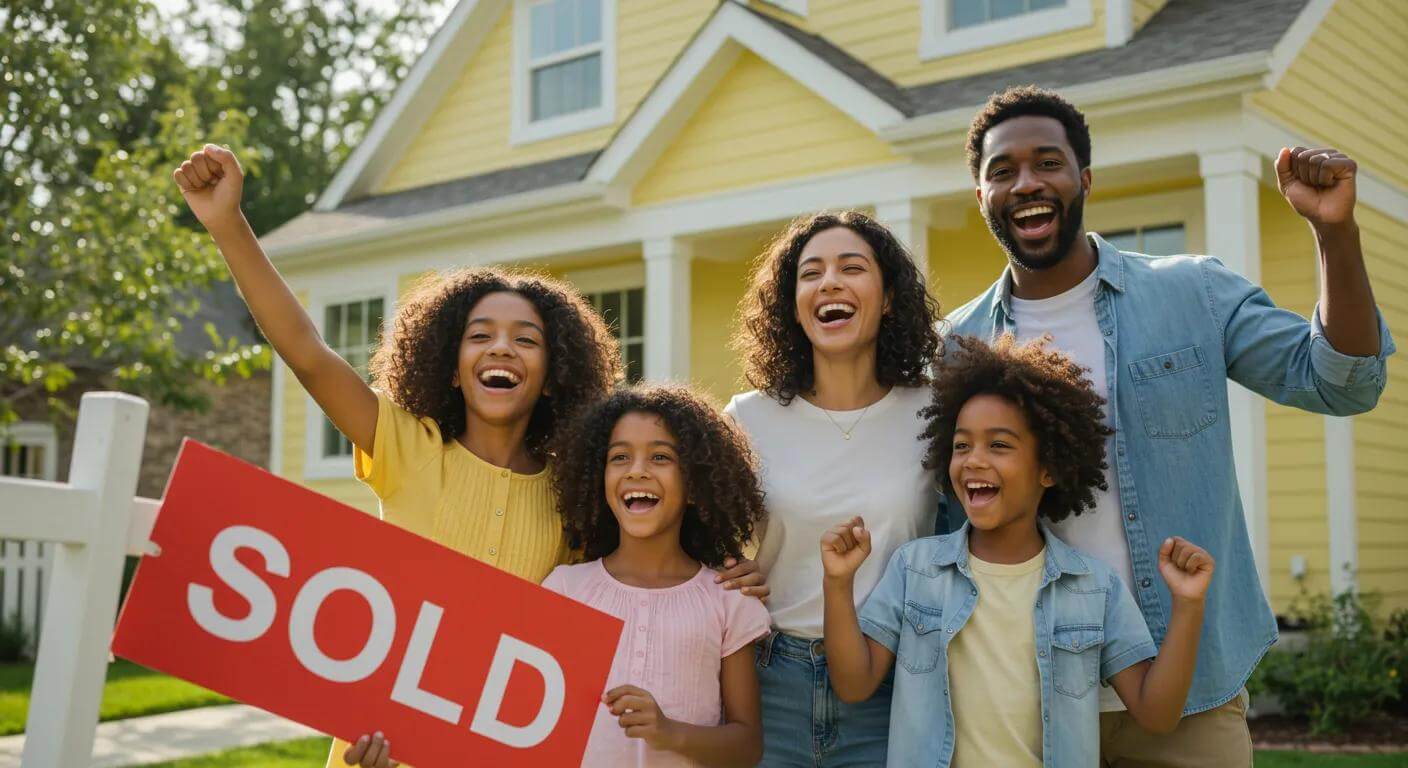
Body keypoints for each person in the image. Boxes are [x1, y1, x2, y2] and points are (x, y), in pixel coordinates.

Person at [171, 146, 767, 768]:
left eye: (525, 339)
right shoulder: (403, 445)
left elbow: (641, 559)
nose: (500, 349)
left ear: (554, 373)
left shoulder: (573, 495)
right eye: (480, 336)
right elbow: (307, 351)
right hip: (381, 744)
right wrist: (226, 223)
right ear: (450, 368)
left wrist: (727, 567)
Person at [942, 86, 1394, 766]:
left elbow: (1341, 382)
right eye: (1002, 171)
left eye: (1047, 163)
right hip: (1023, 701)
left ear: (1084, 179)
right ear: (980, 196)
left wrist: (1335, 233)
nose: (1026, 183)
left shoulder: (1192, 293)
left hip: (1190, 694)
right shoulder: (955, 347)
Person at [824, 334, 1214, 767]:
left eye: (999, 445)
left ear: (1048, 468)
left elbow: (1156, 714)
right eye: (961, 445)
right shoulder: (915, 569)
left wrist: (1188, 606)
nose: (973, 460)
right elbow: (854, 684)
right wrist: (838, 584)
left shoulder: (1094, 589)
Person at [726, 210, 941, 765]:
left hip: (892, 682)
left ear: (888, 297)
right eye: (811, 272)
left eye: (852, 267)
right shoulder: (746, 419)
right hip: (769, 680)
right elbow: (703, 543)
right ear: (792, 306)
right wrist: (725, 569)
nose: (830, 283)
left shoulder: (935, 413)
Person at [545, 385, 771, 767]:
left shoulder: (728, 599)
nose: (637, 470)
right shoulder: (565, 589)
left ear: (696, 486)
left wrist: (669, 732)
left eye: (660, 457)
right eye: (619, 457)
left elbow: (747, 745)